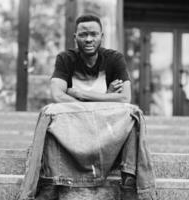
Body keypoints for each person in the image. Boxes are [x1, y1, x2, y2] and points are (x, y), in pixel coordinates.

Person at [46, 14, 135, 199]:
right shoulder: (65, 59)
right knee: (49, 113)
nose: (88, 39)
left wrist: (79, 94)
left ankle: (128, 180)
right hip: (75, 124)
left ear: (102, 36)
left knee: (133, 114)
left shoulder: (114, 59)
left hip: (106, 125)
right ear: (75, 37)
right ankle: (49, 181)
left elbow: (125, 98)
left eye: (93, 34)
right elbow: (56, 95)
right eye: (83, 34)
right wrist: (105, 98)